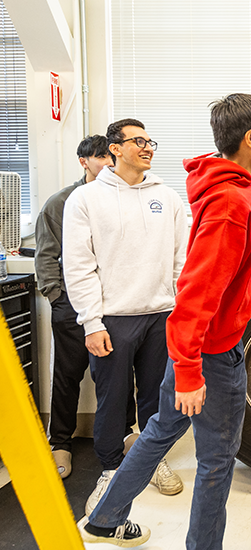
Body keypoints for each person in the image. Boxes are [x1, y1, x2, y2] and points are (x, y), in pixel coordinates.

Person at [78, 44, 251, 549]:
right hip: (212, 354)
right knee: (217, 461)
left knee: (159, 430)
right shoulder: (231, 202)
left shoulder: (237, 176)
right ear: (249, 139)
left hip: (200, 351)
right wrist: (192, 370)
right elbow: (196, 294)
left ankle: (107, 516)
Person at [63, 119, 188, 514]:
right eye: (138, 141)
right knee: (112, 402)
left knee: (156, 399)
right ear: (115, 148)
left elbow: (180, 260)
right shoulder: (85, 200)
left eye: (150, 140)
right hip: (112, 320)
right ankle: (110, 472)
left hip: (160, 316)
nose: (148, 147)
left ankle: (151, 460)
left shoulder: (167, 197)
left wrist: (177, 307)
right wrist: (92, 322)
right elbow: (79, 267)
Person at [36, 135, 138, 479]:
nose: (110, 163)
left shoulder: (122, 200)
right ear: (84, 161)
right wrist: (59, 300)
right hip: (71, 307)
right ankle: (60, 443)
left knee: (118, 374)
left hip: (112, 306)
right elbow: (46, 257)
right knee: (67, 376)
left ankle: (126, 434)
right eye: (102, 158)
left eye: (112, 156)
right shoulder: (61, 203)